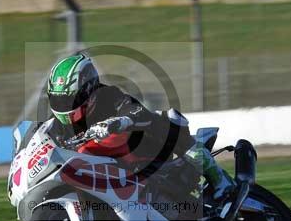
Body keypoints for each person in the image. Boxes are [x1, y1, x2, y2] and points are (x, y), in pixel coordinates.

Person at [46, 53, 235, 202]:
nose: (64, 105)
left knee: (167, 122)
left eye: (70, 99)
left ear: (89, 89)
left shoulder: (109, 96)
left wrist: (118, 122)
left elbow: (136, 110)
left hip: (143, 154)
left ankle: (220, 180)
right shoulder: (58, 125)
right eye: (59, 99)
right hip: (104, 173)